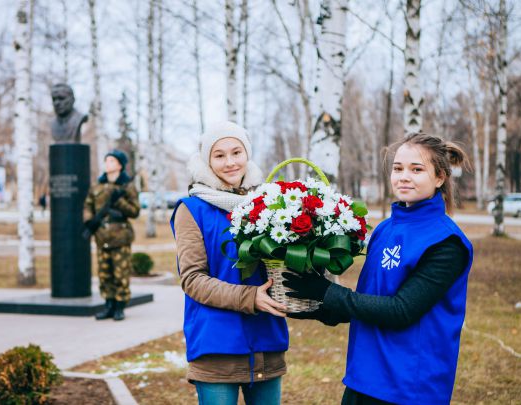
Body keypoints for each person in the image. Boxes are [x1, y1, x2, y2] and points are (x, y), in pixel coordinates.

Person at [283, 133, 473, 405]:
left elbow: (401, 310)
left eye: (416, 169)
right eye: (398, 168)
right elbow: (370, 298)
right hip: (363, 377)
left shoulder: (446, 242)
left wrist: (328, 292)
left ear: (440, 177)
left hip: (409, 386)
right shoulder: (385, 229)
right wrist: (316, 307)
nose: (404, 177)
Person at [170, 121, 289, 405]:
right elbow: (193, 279)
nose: (230, 162)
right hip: (217, 346)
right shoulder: (193, 209)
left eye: (237, 152)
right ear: (207, 161)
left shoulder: (268, 203)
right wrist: (250, 297)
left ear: (247, 154)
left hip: (266, 340)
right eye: (219, 155)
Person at [83, 150, 140, 321]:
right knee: (104, 274)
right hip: (102, 236)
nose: (107, 163)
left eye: (111, 160)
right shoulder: (97, 186)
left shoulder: (127, 186)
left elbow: (135, 211)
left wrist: (119, 201)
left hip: (120, 236)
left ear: (119, 165)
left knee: (120, 274)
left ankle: (119, 307)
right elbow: (88, 205)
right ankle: (108, 305)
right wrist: (89, 221)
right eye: (106, 160)